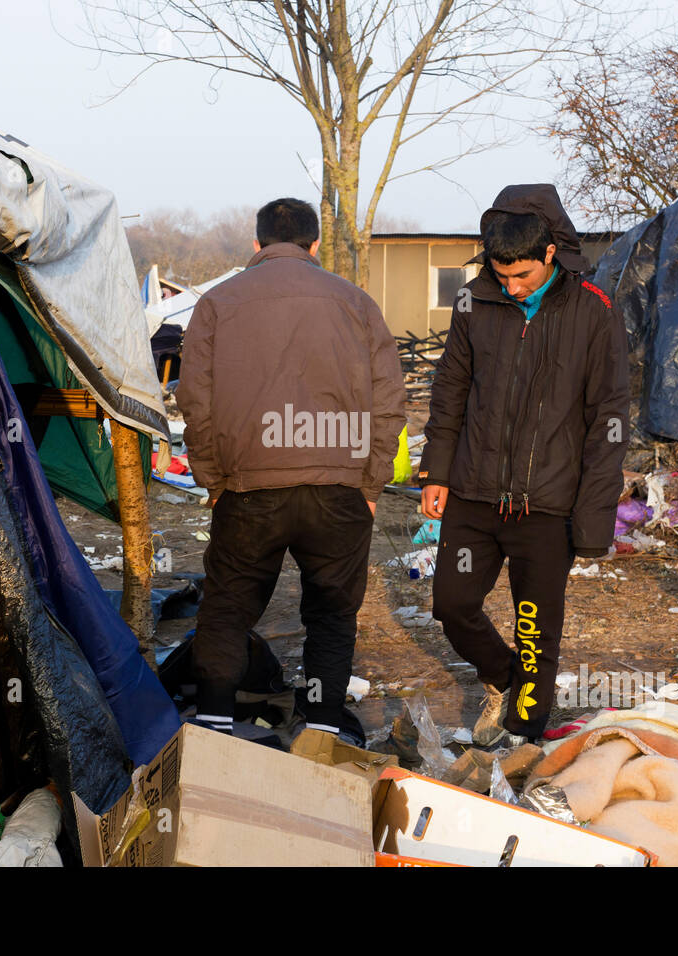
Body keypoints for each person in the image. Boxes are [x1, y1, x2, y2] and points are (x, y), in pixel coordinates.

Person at [178, 197, 406, 737]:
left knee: (228, 607)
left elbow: (195, 401)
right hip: (339, 487)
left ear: (255, 245)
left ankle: (213, 721)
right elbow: (389, 399)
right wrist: (370, 482)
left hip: (249, 486)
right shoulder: (357, 304)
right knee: (330, 612)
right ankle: (324, 726)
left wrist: (214, 480)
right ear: (316, 245)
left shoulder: (216, 304)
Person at [419, 184, 629, 745]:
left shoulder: (594, 311)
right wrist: (436, 471)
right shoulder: (474, 303)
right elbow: (450, 390)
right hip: (473, 492)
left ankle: (522, 738)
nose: (511, 287)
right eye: (501, 274)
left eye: (523, 277)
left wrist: (592, 518)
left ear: (551, 254)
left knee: (536, 631)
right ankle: (503, 677)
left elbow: (608, 419)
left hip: (549, 503)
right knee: (453, 604)